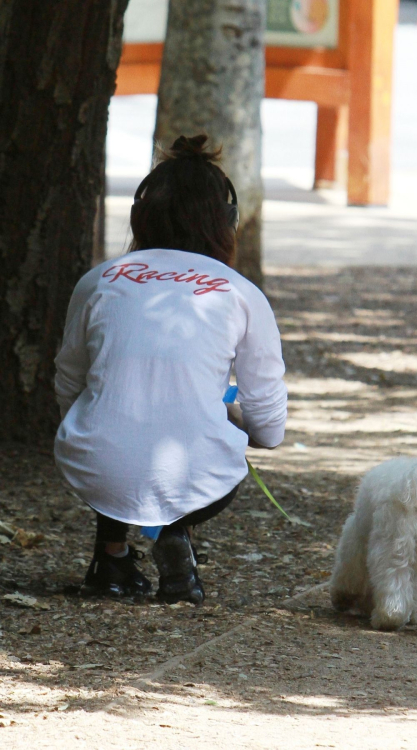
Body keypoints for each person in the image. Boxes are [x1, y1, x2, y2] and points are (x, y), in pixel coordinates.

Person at [54, 134, 287, 605]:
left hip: (94, 466)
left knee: (114, 415)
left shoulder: (99, 279)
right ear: (227, 222)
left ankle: (111, 558)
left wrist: (92, 424)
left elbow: (68, 385)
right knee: (190, 430)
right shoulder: (241, 293)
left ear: (141, 218)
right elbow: (270, 426)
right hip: (198, 478)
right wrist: (232, 419)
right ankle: (173, 533)